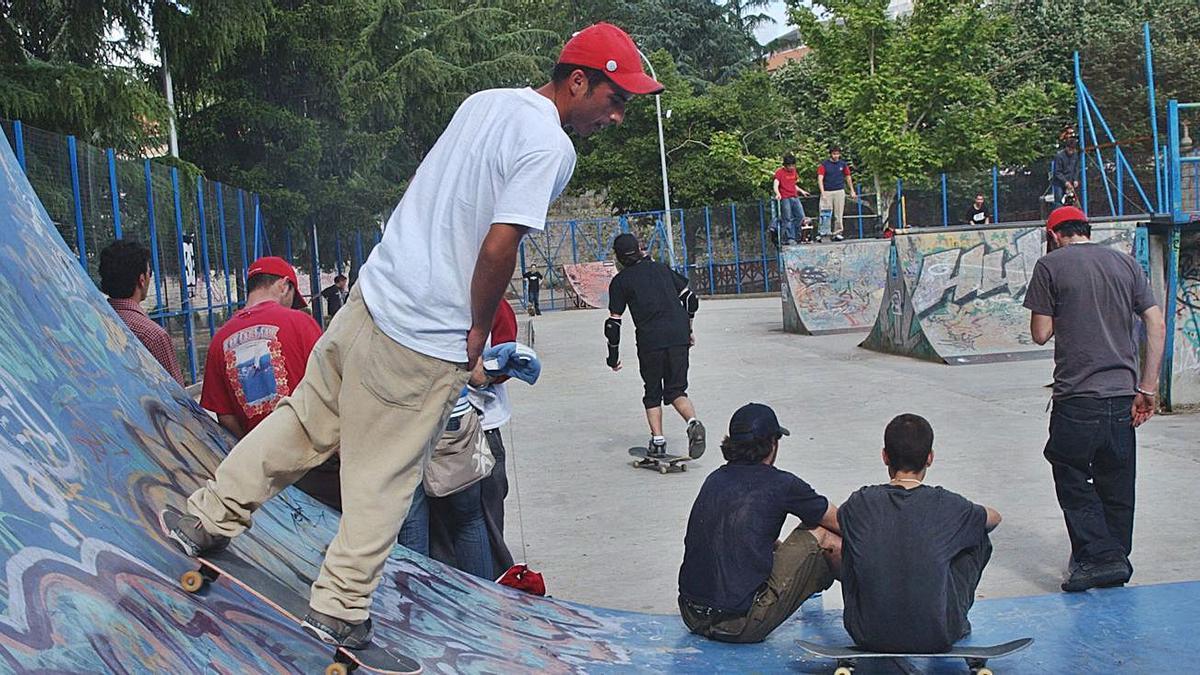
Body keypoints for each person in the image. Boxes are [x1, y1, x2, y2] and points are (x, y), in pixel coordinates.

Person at [165, 21, 664, 649]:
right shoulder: (550, 147)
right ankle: (341, 608)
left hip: (368, 300)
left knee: (300, 423)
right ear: (578, 81)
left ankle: (206, 519)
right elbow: (499, 242)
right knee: (385, 479)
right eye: (615, 101)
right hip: (422, 337)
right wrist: (478, 329)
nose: (617, 117)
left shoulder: (485, 102)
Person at [1024, 205, 1166, 593]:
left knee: (1070, 471)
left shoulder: (1049, 267)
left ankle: (1100, 556)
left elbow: (1040, 333)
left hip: (1077, 395)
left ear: (1054, 235)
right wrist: (1148, 387)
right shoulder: (1125, 264)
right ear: (1086, 229)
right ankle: (1115, 557)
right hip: (1123, 393)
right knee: (1117, 479)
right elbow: (1155, 321)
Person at [677, 403, 841, 643]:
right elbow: (842, 523)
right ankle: (876, 615)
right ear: (772, 444)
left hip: (692, 615)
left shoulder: (715, 479)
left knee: (765, 537)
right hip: (740, 625)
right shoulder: (782, 484)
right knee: (822, 535)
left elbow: (748, 534)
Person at [838, 413, 1001, 654]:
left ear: (884, 456)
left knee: (855, 539)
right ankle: (955, 616)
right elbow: (994, 518)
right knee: (978, 534)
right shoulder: (946, 505)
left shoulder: (859, 502)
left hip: (867, 633)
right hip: (938, 633)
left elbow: (844, 521)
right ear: (930, 458)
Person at [197, 256, 340, 509]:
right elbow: (331, 388)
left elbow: (225, 417)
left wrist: (258, 449)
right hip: (316, 464)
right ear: (284, 286)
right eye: (292, 298)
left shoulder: (219, 341)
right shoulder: (301, 323)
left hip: (264, 471)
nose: (292, 306)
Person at [605, 232, 705, 459]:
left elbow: (613, 323)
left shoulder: (620, 281)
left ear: (619, 258)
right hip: (678, 336)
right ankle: (693, 422)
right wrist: (688, 329)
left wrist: (613, 356)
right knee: (677, 390)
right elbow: (691, 300)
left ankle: (658, 441)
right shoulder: (661, 269)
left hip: (651, 341)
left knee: (653, 392)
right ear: (640, 249)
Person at [98, 239, 185, 386]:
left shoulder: (93, 323)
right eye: (149, 272)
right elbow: (178, 399)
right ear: (142, 280)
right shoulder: (152, 336)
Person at [817, 146, 856, 242]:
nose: (836, 156)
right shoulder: (824, 165)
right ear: (831, 154)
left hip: (839, 191)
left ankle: (838, 232)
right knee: (825, 213)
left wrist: (852, 190)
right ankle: (824, 233)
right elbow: (820, 179)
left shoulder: (843, 164)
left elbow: (848, 177)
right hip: (827, 191)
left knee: (838, 213)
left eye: (837, 154)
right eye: (834, 154)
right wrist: (823, 193)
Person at [773, 153, 810, 245]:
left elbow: (793, 184)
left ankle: (798, 235)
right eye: (789, 166)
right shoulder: (779, 172)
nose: (791, 167)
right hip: (785, 197)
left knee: (801, 216)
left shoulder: (794, 172)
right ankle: (790, 237)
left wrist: (802, 191)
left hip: (794, 196)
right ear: (785, 165)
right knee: (787, 218)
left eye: (793, 165)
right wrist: (778, 193)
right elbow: (776, 184)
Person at [1051, 137, 1082, 206]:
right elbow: (1057, 172)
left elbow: (1076, 168)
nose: (1071, 151)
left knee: (1072, 201)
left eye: (1073, 149)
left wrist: (1075, 179)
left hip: (1070, 182)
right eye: (1069, 149)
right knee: (1059, 201)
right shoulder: (1059, 156)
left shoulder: (1075, 155)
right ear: (1066, 147)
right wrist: (1065, 182)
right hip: (1059, 183)